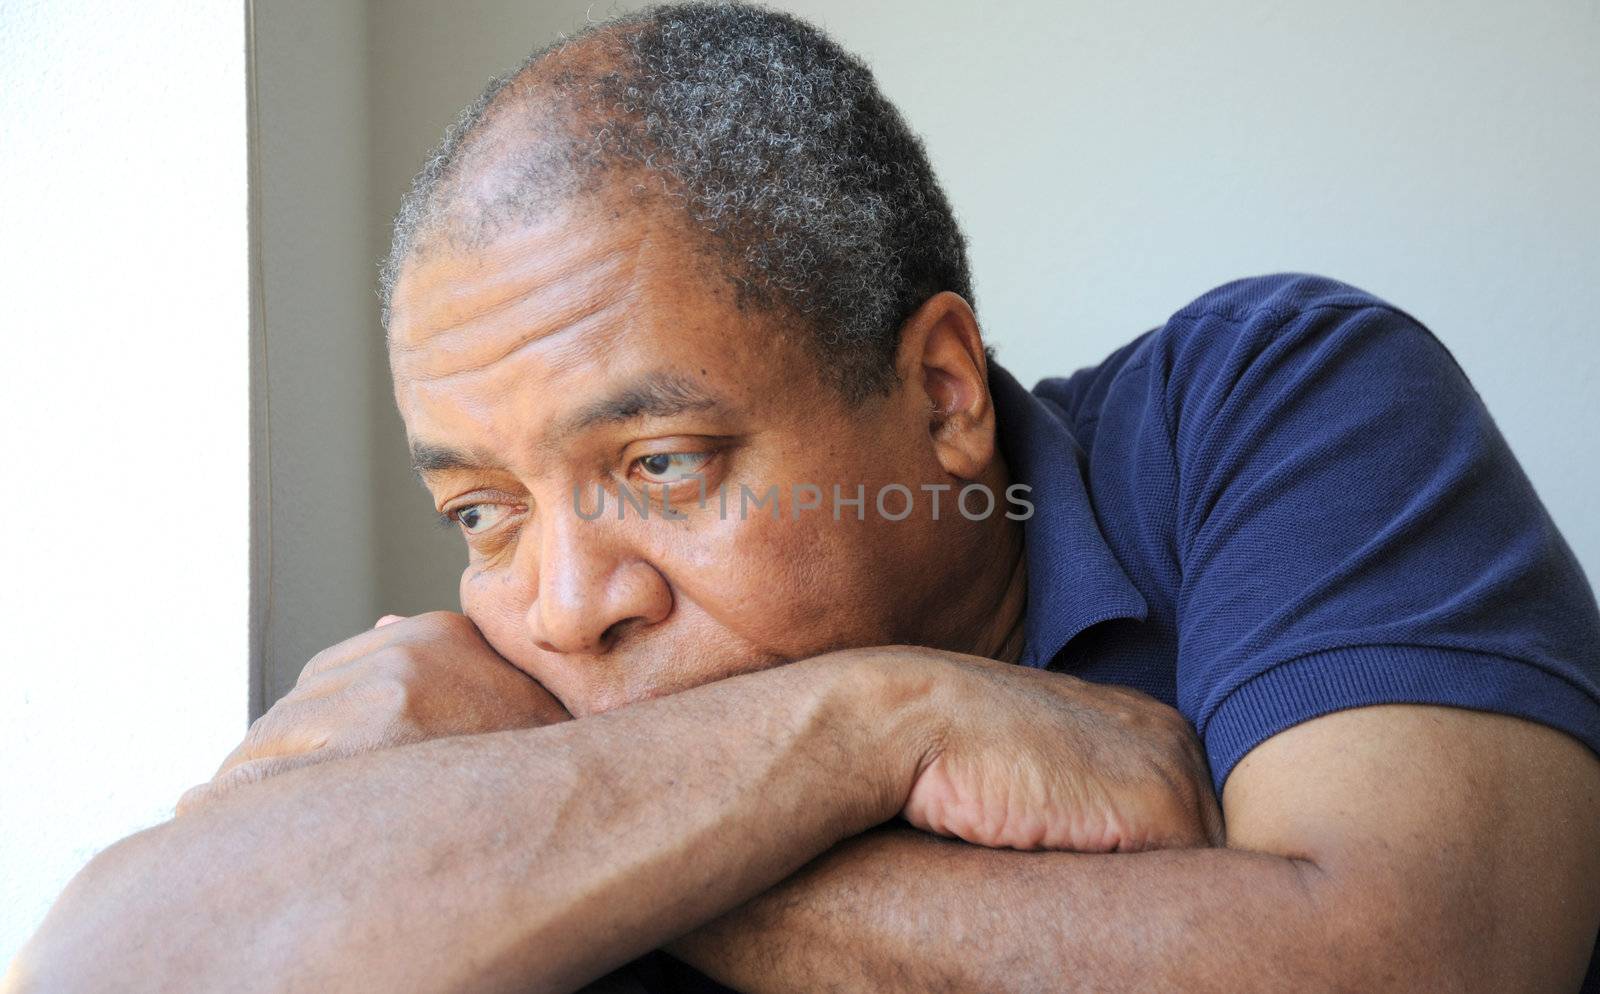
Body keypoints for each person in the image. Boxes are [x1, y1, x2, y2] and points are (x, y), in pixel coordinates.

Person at [10, 4, 1600, 992]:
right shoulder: (505, 685)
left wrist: (584, 839)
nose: (567, 606)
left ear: (943, 396)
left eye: (660, 467)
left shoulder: (1273, 399)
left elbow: (1412, 962)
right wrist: (872, 723)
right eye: (481, 509)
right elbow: (98, 973)